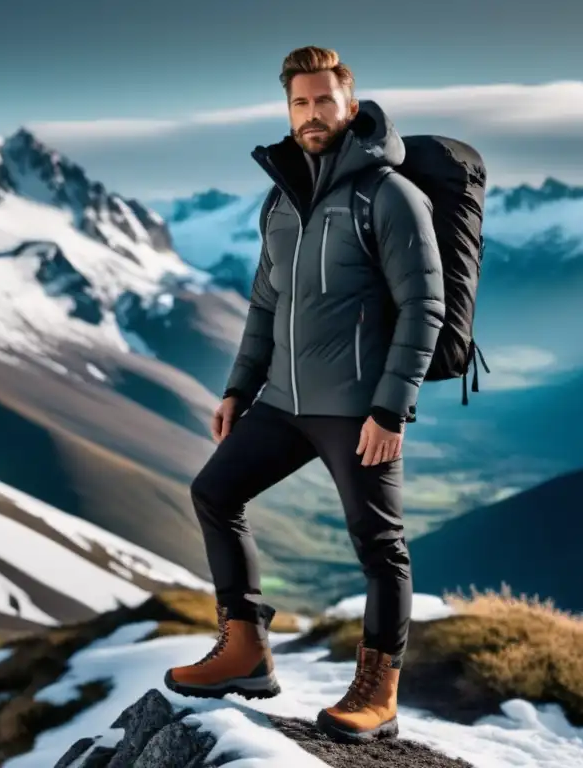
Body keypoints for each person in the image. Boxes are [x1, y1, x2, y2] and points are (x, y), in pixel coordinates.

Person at [163, 46, 445, 743]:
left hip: (357, 409)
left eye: (323, 101)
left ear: (349, 105)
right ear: (288, 112)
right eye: (299, 103)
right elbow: (265, 307)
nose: (312, 114)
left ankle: (378, 691)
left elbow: (424, 307)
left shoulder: (390, 196)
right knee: (215, 494)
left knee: (380, 545)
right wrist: (238, 388)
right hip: (284, 401)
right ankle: (245, 649)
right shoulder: (281, 200)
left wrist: (391, 407)